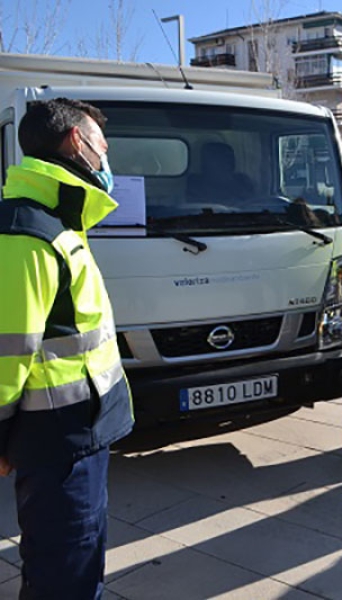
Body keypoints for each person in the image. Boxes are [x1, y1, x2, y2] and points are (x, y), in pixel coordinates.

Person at [0, 98, 134, 598]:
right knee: (63, 579)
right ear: (76, 142)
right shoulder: (27, 231)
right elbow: (7, 351)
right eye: (103, 147)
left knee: (80, 565)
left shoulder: (57, 221)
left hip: (79, 434)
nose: (106, 161)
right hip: (55, 443)